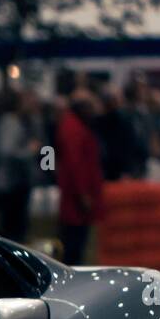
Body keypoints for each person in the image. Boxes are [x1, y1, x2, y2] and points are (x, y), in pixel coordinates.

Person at [55, 90, 103, 266]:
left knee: (75, 245)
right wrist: (83, 194)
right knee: (74, 246)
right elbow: (75, 165)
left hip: (77, 198)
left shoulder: (73, 126)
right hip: (76, 202)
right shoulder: (74, 129)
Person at [0, 88, 41, 243]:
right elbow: (6, 151)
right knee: (10, 227)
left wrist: (47, 169)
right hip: (9, 184)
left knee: (21, 225)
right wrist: (29, 152)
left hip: (23, 182)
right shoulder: (9, 122)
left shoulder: (33, 122)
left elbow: (45, 147)